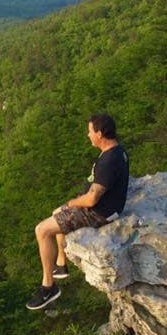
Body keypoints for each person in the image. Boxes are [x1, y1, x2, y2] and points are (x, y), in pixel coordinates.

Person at [26, 113, 129, 311]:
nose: (88, 135)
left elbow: (91, 199)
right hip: (106, 207)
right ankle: (61, 264)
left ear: (99, 133)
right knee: (58, 213)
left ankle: (48, 286)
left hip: (98, 213)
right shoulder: (117, 150)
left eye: (90, 131)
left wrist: (72, 203)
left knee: (42, 230)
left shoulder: (109, 160)